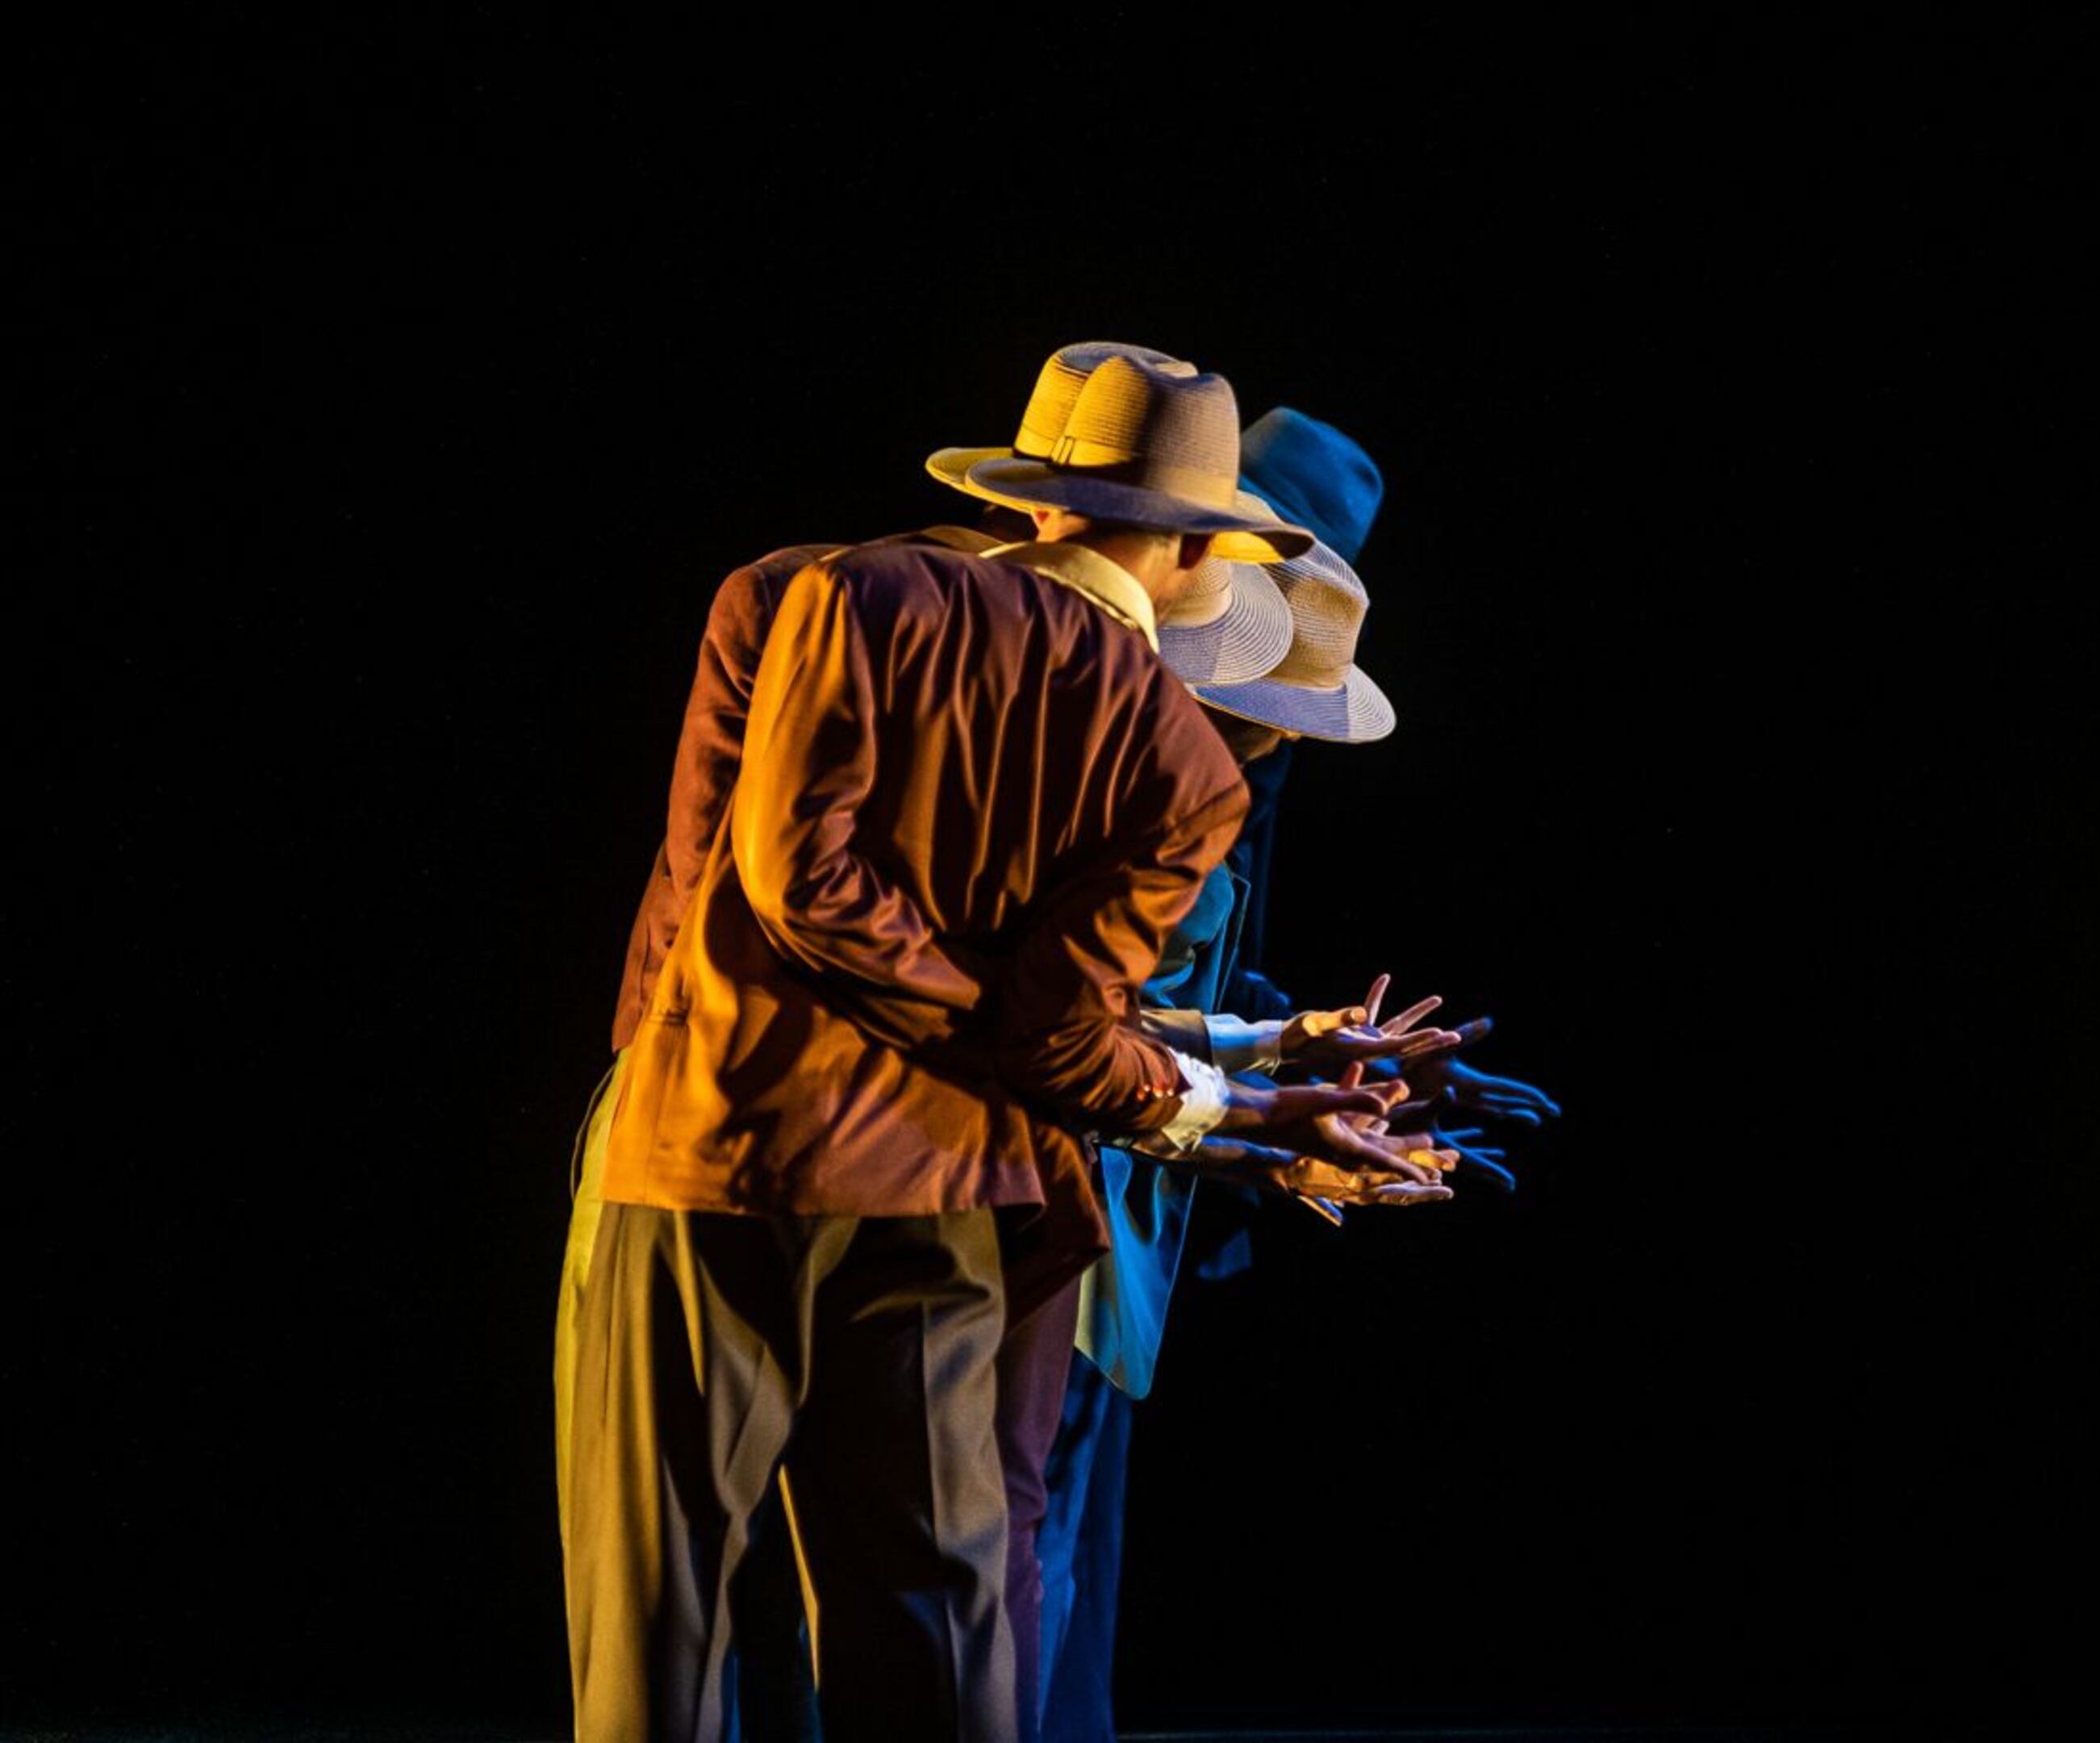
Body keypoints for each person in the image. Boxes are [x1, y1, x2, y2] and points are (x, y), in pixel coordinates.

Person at [561, 351, 1450, 1741]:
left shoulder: (814, 591)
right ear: (1203, 554)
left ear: (1035, 495)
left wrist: (1251, 1069)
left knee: (673, 1630)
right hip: (956, 1183)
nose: (1265, 744)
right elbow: (1043, 1013)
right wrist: (1228, 1098)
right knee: (940, 1621)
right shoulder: (1176, 762)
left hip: (720, 1141)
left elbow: (720, 901)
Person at [1006, 407, 1564, 1741]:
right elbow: (1069, 1017)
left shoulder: (1238, 770)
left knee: (1054, 1605)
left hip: (1120, 1245)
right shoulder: (1113, 742)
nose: (1280, 737)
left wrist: (1333, 1061)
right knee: (993, 1610)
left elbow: (1188, 988)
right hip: (1040, 1223)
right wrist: (1269, 1116)